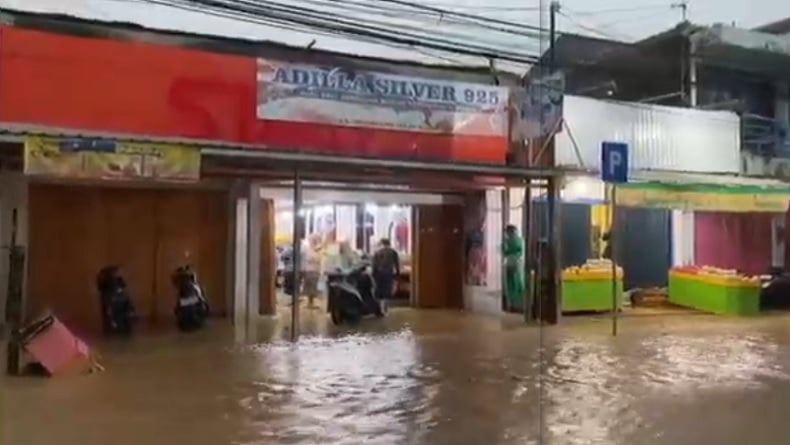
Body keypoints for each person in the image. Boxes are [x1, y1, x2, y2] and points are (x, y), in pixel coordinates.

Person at [502, 225, 525, 311]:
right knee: (518, 282)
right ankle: (520, 304)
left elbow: (504, 252)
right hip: (518, 263)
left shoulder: (507, 241)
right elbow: (521, 251)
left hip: (510, 263)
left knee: (510, 283)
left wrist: (508, 253)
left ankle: (512, 304)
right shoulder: (520, 240)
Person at [372, 238, 400, 302]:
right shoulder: (393, 252)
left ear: (382, 244)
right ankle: (385, 307)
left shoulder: (377, 252)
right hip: (389, 273)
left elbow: (374, 265)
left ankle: (380, 306)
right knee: (387, 290)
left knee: (379, 290)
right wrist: (397, 274)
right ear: (389, 244)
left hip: (379, 273)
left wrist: (374, 274)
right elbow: (396, 264)